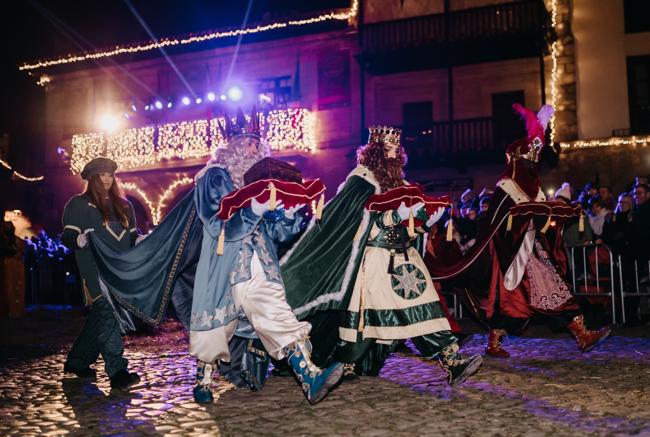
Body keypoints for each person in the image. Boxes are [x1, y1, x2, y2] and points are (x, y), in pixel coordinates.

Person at [90, 108, 343, 404]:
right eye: (247, 142)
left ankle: (310, 377)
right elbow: (216, 222)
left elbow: (277, 235)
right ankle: (204, 378)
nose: (253, 149)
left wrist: (287, 216)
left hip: (260, 265)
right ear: (232, 145)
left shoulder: (262, 183)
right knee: (216, 327)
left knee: (278, 316)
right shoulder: (213, 178)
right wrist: (254, 210)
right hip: (223, 265)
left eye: (257, 144)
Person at [280, 126, 482, 385]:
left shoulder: (404, 184)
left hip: (406, 257)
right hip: (374, 259)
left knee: (425, 307)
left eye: (397, 149)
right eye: (389, 148)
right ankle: (345, 364)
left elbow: (414, 225)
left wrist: (427, 218)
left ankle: (453, 362)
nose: (395, 152)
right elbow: (352, 221)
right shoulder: (361, 179)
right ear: (375, 151)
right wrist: (391, 217)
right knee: (370, 319)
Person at [425, 104, 611, 357]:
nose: (533, 167)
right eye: (529, 161)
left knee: (553, 289)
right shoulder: (506, 187)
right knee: (509, 303)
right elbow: (502, 222)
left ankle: (581, 333)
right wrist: (539, 212)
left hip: (531, 253)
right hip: (508, 258)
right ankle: (495, 342)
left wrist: (559, 211)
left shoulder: (533, 189)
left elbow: (539, 215)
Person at [60, 157, 140, 389]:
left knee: (100, 318)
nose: (107, 179)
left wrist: (143, 240)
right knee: (108, 314)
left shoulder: (125, 205)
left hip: (121, 271)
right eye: (102, 175)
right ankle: (117, 371)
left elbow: (133, 237)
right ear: (93, 178)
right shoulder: (78, 204)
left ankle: (77, 361)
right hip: (94, 271)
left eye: (110, 174)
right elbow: (67, 236)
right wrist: (79, 238)